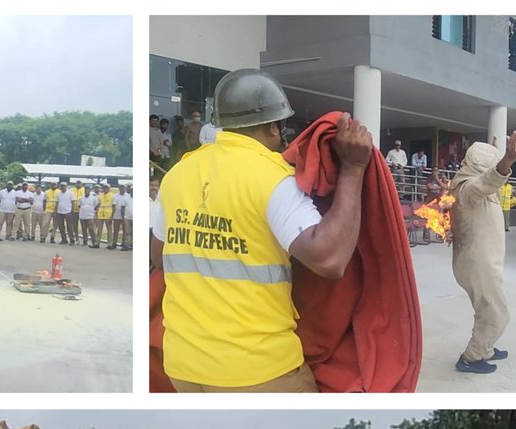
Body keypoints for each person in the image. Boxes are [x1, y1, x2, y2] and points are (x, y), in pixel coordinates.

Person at [152, 68, 373, 392]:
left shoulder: (178, 174)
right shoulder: (273, 179)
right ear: (274, 126)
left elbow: (160, 256)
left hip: (183, 366)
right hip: (257, 368)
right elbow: (330, 260)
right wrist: (353, 169)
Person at [449, 131, 516, 373]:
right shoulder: (467, 188)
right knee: (497, 313)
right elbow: (486, 182)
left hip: (481, 261)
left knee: (486, 309)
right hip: (477, 263)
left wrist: (495, 156)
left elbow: (490, 183)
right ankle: (471, 357)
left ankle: (486, 348)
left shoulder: (471, 181)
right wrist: (506, 161)